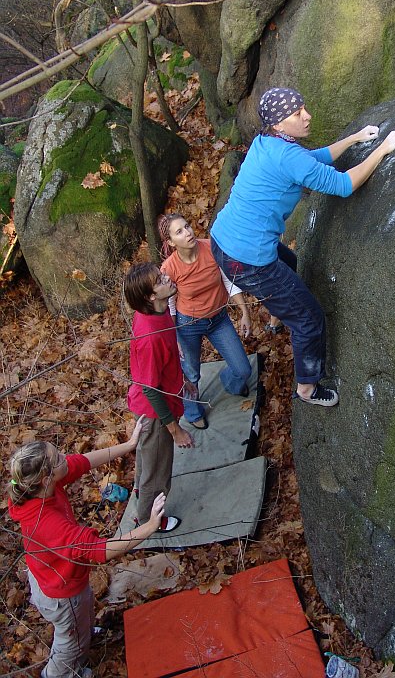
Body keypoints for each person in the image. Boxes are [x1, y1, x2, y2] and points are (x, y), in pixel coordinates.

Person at [211, 87, 395, 407]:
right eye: (296, 114)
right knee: (309, 318)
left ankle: (277, 314)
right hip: (247, 259)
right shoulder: (285, 153)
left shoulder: (269, 144)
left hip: (227, 243)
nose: (307, 116)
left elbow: (309, 161)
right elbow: (343, 185)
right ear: (278, 125)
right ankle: (307, 388)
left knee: (292, 266)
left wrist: (354, 139)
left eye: (304, 107)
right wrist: (383, 149)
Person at [8, 419, 166, 678]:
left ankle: (83, 630)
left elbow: (81, 462)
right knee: (70, 644)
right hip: (62, 593)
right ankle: (60, 673)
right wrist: (149, 528)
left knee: (84, 613)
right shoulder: (48, 523)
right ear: (46, 478)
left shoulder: (39, 487)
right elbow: (98, 550)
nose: (64, 458)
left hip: (51, 574)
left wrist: (129, 444)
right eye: (58, 458)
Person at [158, 213, 252, 428]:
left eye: (187, 226)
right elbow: (169, 305)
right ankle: (192, 412)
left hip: (218, 318)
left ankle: (229, 383)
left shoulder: (210, 247)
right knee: (191, 372)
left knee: (243, 370)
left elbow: (228, 280)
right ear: (171, 243)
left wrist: (244, 311)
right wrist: (176, 337)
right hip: (188, 324)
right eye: (179, 232)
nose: (188, 232)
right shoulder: (169, 268)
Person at [124, 262, 195, 533]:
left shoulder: (160, 310)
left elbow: (165, 364)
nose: (167, 277)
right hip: (154, 412)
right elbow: (150, 389)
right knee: (157, 470)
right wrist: (175, 431)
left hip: (159, 401)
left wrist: (183, 380)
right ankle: (148, 522)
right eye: (160, 279)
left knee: (147, 463)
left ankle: (143, 502)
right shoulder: (150, 335)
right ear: (151, 295)